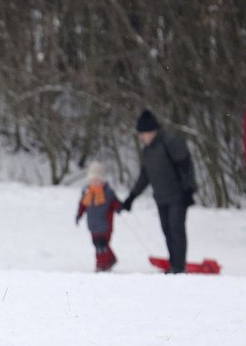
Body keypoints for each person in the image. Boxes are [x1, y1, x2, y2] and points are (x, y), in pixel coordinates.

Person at [119, 109, 197, 273]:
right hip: (161, 198)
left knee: (176, 230)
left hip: (178, 196)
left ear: (151, 130)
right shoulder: (148, 151)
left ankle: (178, 267)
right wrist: (131, 198)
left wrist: (189, 190)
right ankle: (174, 264)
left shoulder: (170, 142)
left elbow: (185, 165)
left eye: (143, 133)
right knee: (167, 231)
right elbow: (144, 177)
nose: (141, 137)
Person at [75, 161, 121, 272]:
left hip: (105, 225)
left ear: (102, 180)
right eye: (93, 180)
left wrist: (120, 207)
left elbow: (115, 203)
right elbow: (82, 205)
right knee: (97, 245)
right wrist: (79, 215)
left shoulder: (108, 192)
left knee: (103, 245)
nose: (95, 182)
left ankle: (101, 265)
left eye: (98, 180)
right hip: (93, 225)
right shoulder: (87, 192)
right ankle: (110, 260)